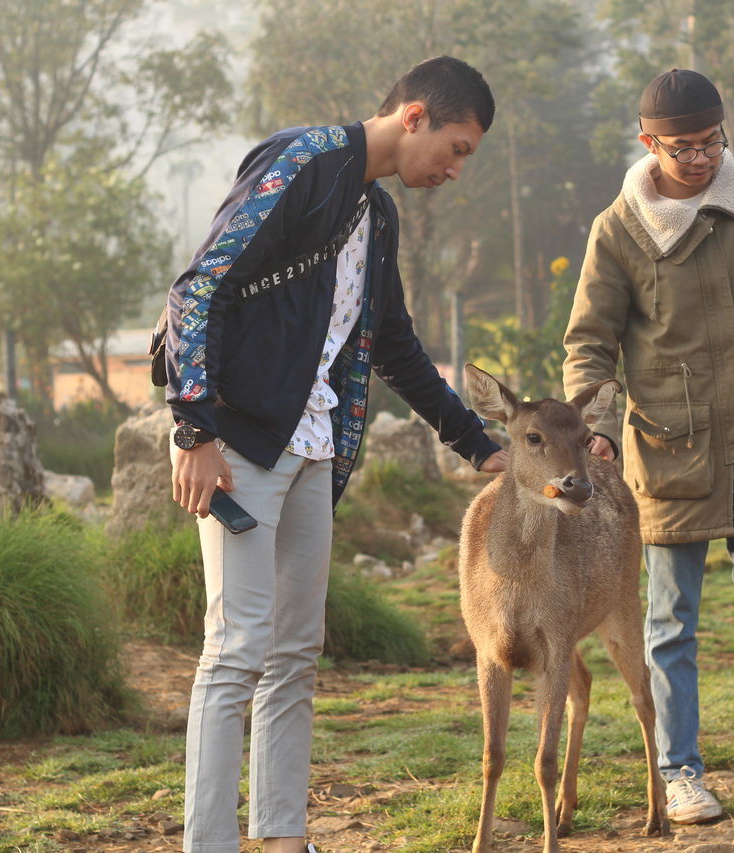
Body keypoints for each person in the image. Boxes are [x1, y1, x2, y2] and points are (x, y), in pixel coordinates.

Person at [162, 56, 508, 853]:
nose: (455, 170)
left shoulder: (377, 218)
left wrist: (476, 445)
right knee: (236, 646)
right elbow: (202, 286)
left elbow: (395, 347)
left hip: (316, 449)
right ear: (414, 116)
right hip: (239, 445)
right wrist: (195, 430)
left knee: (294, 652)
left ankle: (283, 837)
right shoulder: (304, 162)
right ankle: (208, 843)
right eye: (457, 148)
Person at [562, 68, 734, 826]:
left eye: (712, 142)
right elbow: (589, 342)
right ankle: (679, 770)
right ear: (648, 142)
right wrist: (594, 423)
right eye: (682, 147)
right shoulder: (617, 229)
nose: (701, 159)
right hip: (670, 446)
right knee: (671, 621)